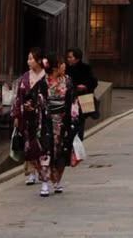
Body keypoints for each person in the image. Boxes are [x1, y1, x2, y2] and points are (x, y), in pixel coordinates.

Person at [11, 48, 48, 191]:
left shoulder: (46, 76)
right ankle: (30, 171)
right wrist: (16, 115)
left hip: (41, 116)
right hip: (26, 115)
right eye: (28, 59)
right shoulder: (26, 77)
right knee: (28, 143)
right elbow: (18, 97)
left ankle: (41, 170)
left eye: (31, 59)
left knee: (40, 143)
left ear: (39, 60)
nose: (28, 61)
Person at [42, 53, 78, 195]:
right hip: (47, 120)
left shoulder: (67, 81)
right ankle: (44, 183)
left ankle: (58, 181)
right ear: (55, 67)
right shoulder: (44, 82)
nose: (64, 65)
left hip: (63, 120)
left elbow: (73, 100)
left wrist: (74, 117)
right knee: (46, 151)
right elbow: (38, 100)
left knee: (62, 151)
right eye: (61, 63)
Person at [66, 46, 98, 141]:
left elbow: (93, 82)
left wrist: (85, 86)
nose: (68, 59)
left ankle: (79, 143)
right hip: (70, 99)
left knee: (80, 122)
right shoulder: (66, 69)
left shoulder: (86, 68)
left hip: (83, 98)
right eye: (68, 57)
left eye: (70, 57)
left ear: (77, 58)